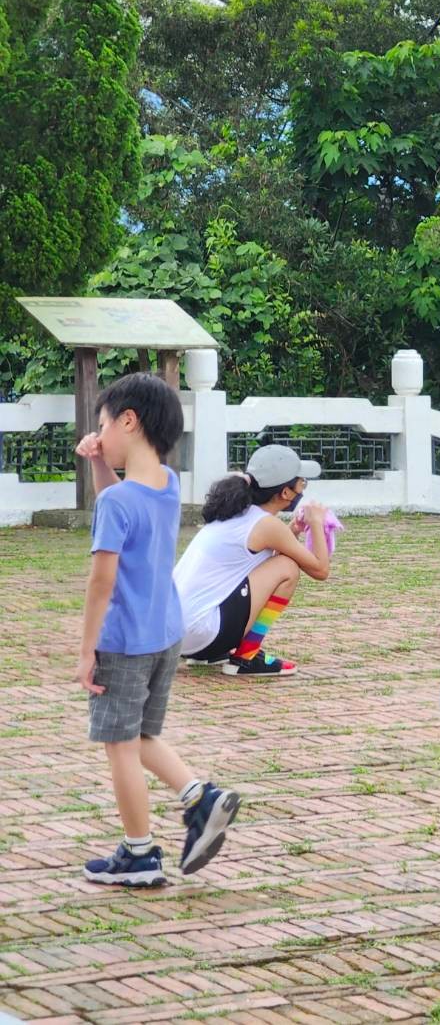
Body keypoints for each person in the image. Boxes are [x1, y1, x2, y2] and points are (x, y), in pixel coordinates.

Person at [73, 373, 239, 886]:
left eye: (104, 424)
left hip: (123, 640)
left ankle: (139, 852)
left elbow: (102, 582)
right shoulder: (168, 483)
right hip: (164, 634)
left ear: (129, 420)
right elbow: (123, 502)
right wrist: (101, 460)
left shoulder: (116, 504)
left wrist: (86, 651)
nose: (100, 433)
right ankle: (200, 797)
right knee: (142, 735)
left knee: (120, 746)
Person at [173, 446, 333, 678]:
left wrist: (293, 531)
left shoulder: (235, 512)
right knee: (288, 568)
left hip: (177, 636)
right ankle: (246, 658)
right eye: (301, 484)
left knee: (281, 564)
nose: (302, 490)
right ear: (286, 493)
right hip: (202, 632)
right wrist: (316, 522)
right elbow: (321, 569)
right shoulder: (266, 525)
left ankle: (205, 654)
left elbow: (259, 565)